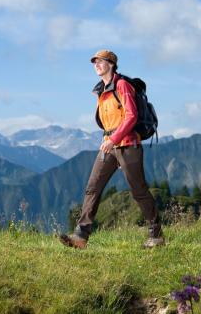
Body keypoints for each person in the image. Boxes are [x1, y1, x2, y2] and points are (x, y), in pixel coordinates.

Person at [59, 49, 164, 249]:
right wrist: (109, 138)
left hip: (128, 145)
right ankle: (81, 236)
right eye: (94, 62)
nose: (96, 65)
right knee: (93, 187)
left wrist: (114, 138)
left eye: (100, 61)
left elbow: (131, 116)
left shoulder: (122, 85)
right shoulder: (102, 90)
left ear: (111, 64)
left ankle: (156, 235)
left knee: (138, 190)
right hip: (109, 145)